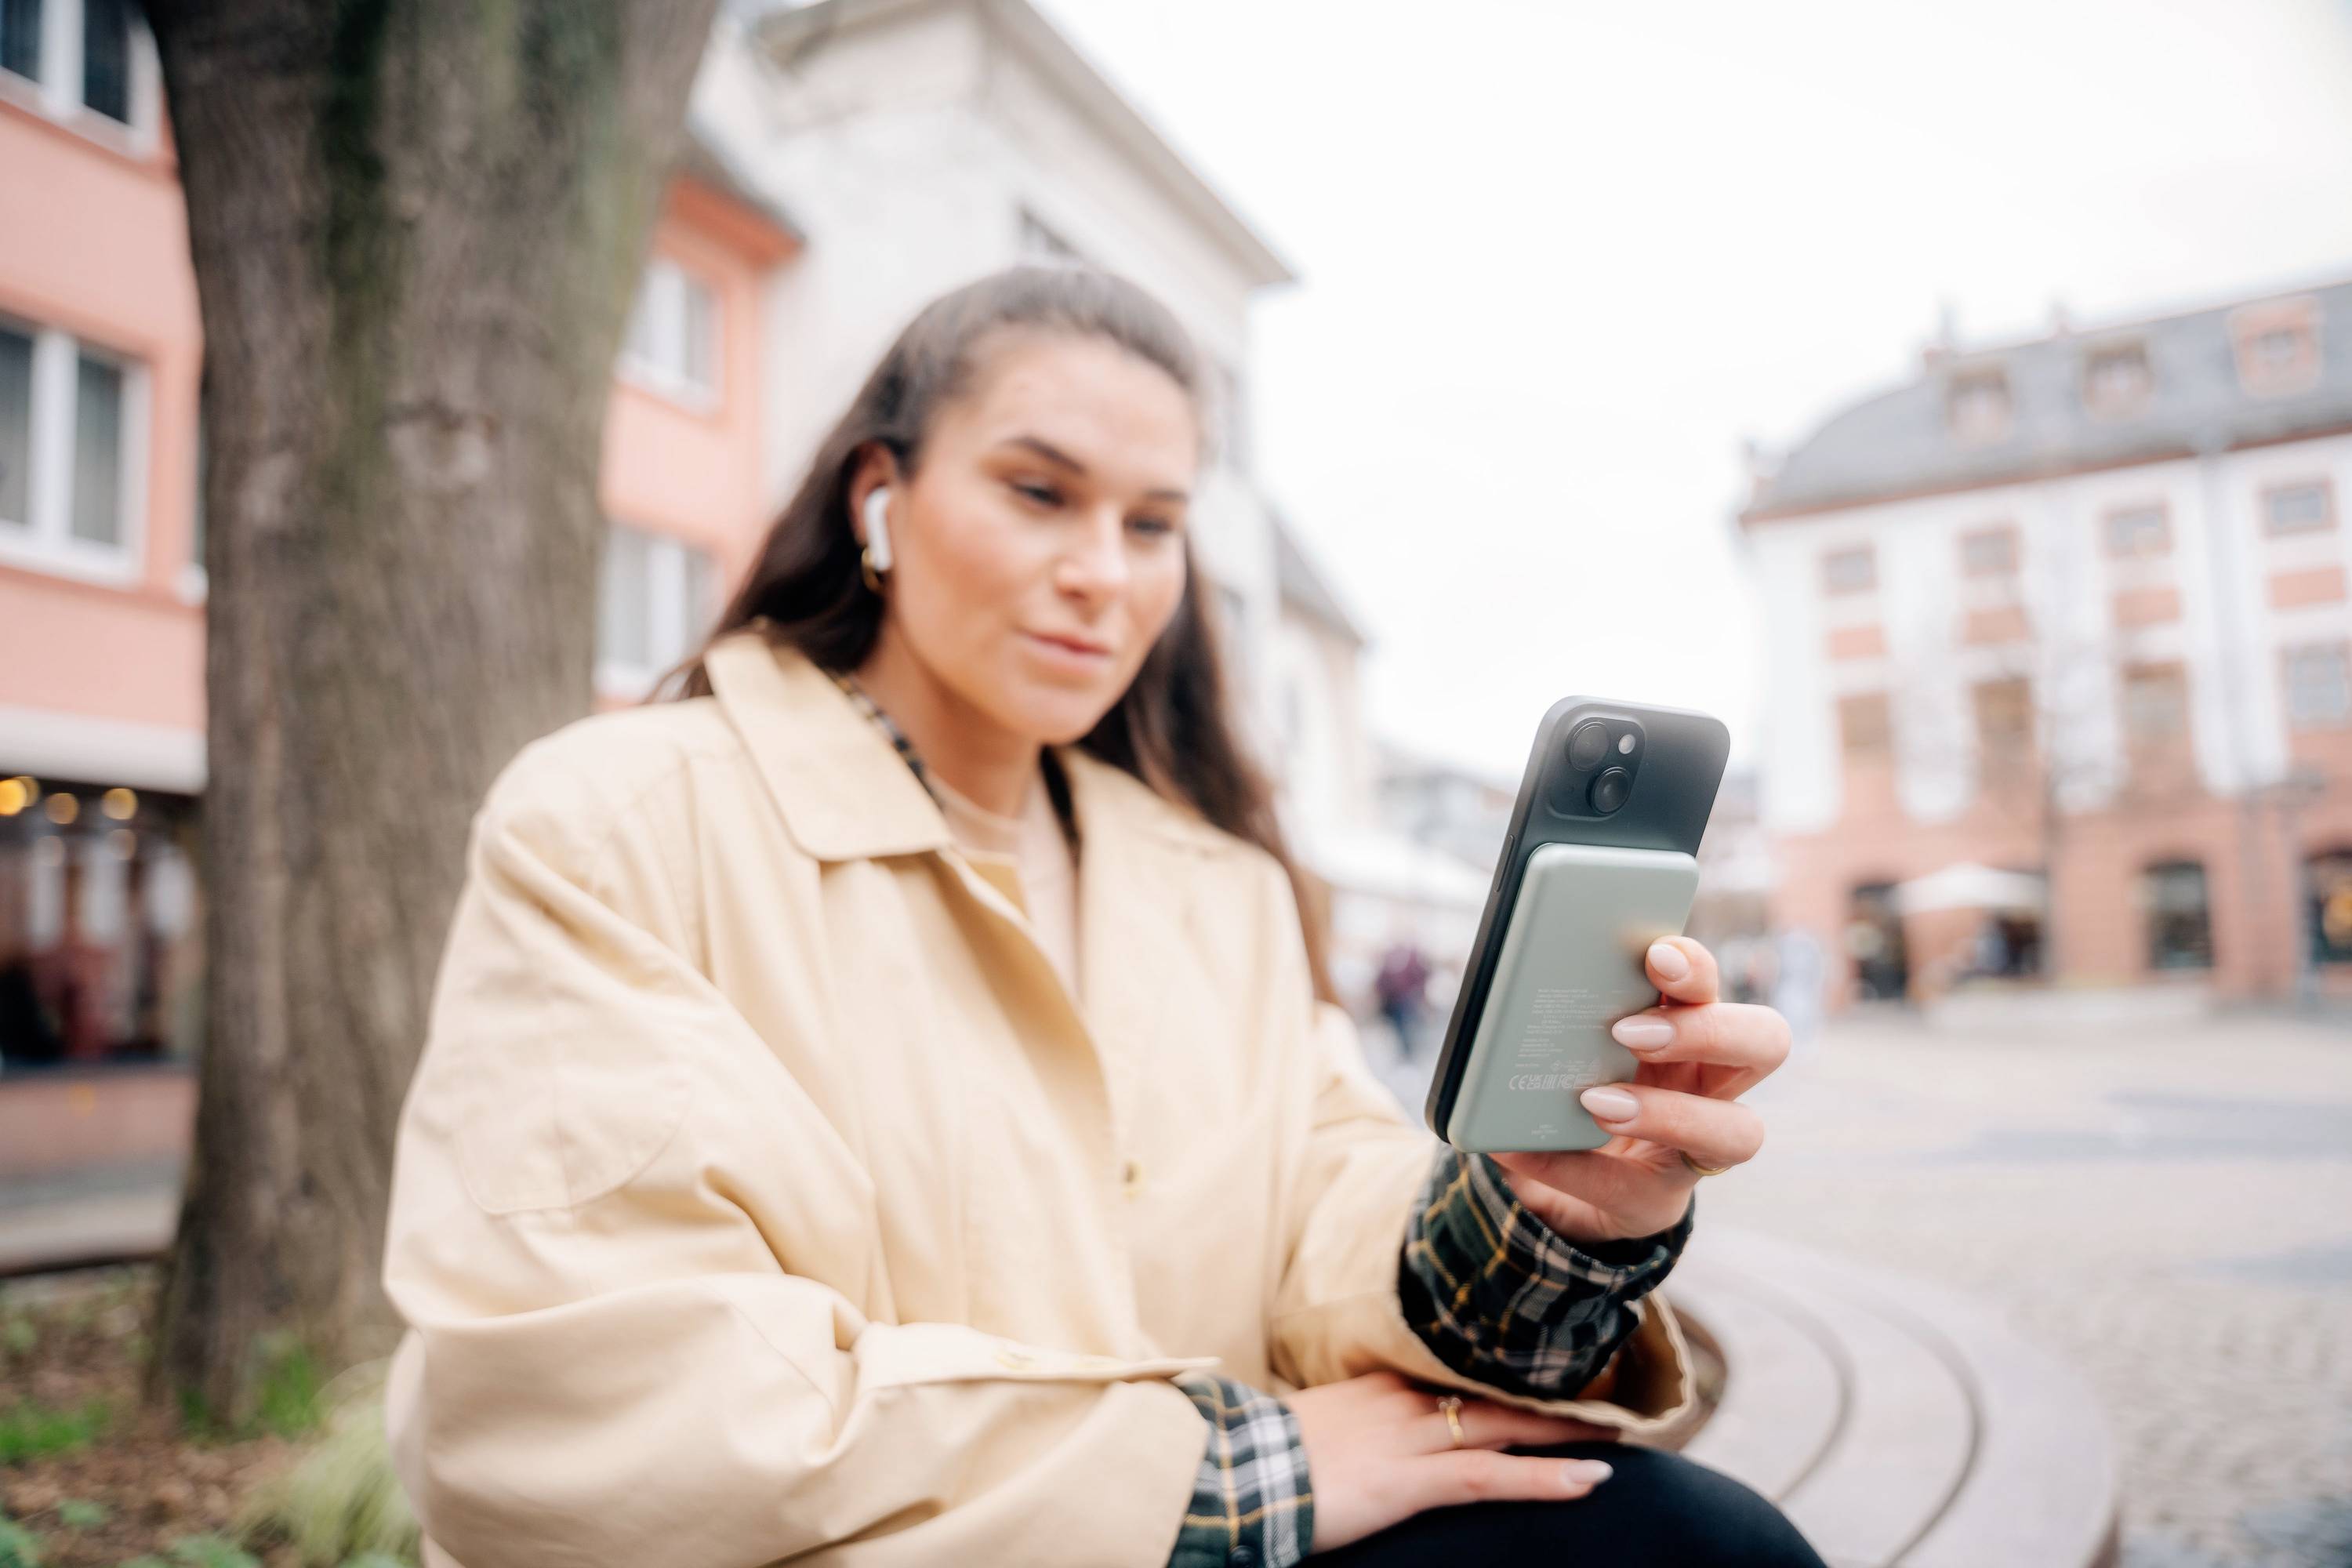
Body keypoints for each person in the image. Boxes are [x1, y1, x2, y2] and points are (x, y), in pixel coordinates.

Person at [379, 265, 1821, 1567]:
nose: (1106, 575)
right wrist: (1223, 1474)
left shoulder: (1219, 883)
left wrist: (1545, 1214)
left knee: (1704, 1552)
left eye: (1153, 524)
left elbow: (1319, 1214)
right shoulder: (616, 820)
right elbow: (584, 1391)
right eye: (1039, 492)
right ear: (881, 495)